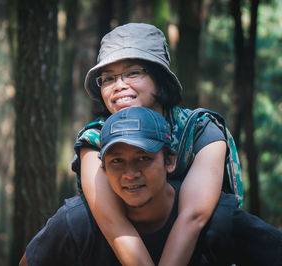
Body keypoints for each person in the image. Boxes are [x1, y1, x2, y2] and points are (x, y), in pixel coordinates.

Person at [20, 107, 282, 266]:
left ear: (169, 161)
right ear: (104, 168)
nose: (130, 174)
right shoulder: (77, 222)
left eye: (144, 158)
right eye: (117, 161)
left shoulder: (218, 219)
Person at [72, 23, 234, 265]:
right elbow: (112, 223)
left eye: (133, 73)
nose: (119, 85)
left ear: (159, 78)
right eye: (108, 78)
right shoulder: (94, 141)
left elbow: (193, 217)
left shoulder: (201, 130)